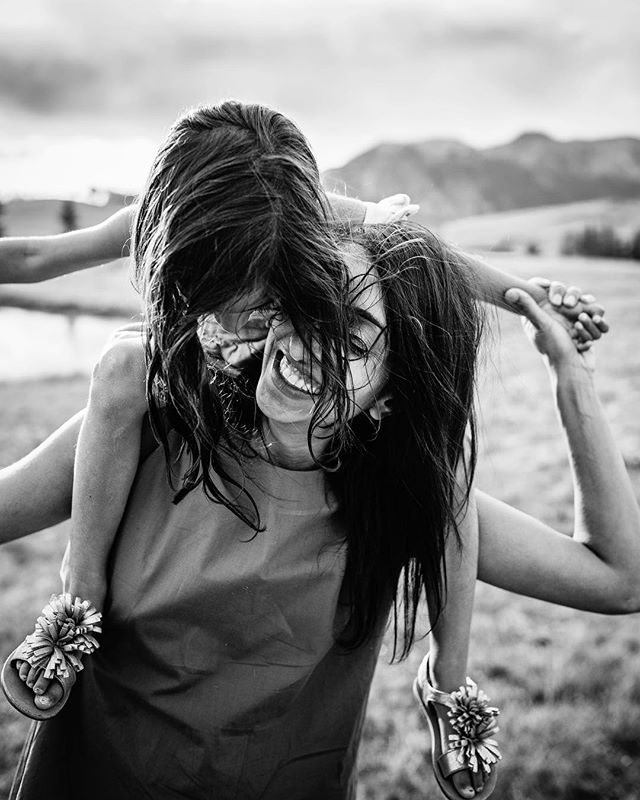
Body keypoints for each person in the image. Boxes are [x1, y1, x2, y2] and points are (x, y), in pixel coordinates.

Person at [0, 102, 611, 799]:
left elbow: (432, 262)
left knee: (447, 471)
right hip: (201, 362)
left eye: (246, 270)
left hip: (288, 356)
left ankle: (449, 681)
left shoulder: (306, 209)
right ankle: (79, 602)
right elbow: (33, 256)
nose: (224, 291)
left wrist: (532, 299)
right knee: (117, 367)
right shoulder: (157, 215)